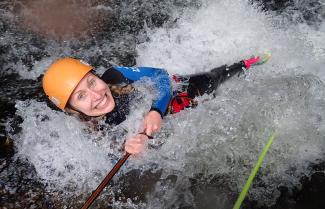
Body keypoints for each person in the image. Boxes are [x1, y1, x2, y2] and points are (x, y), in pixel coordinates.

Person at [42, 52, 271, 155]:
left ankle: (246, 63)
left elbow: (161, 76)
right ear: (73, 109)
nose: (96, 95)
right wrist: (136, 150)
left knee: (214, 78)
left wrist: (155, 111)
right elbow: (120, 154)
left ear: (97, 75)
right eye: (81, 96)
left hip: (180, 93)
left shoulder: (116, 75)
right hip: (175, 125)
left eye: (92, 82)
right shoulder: (96, 133)